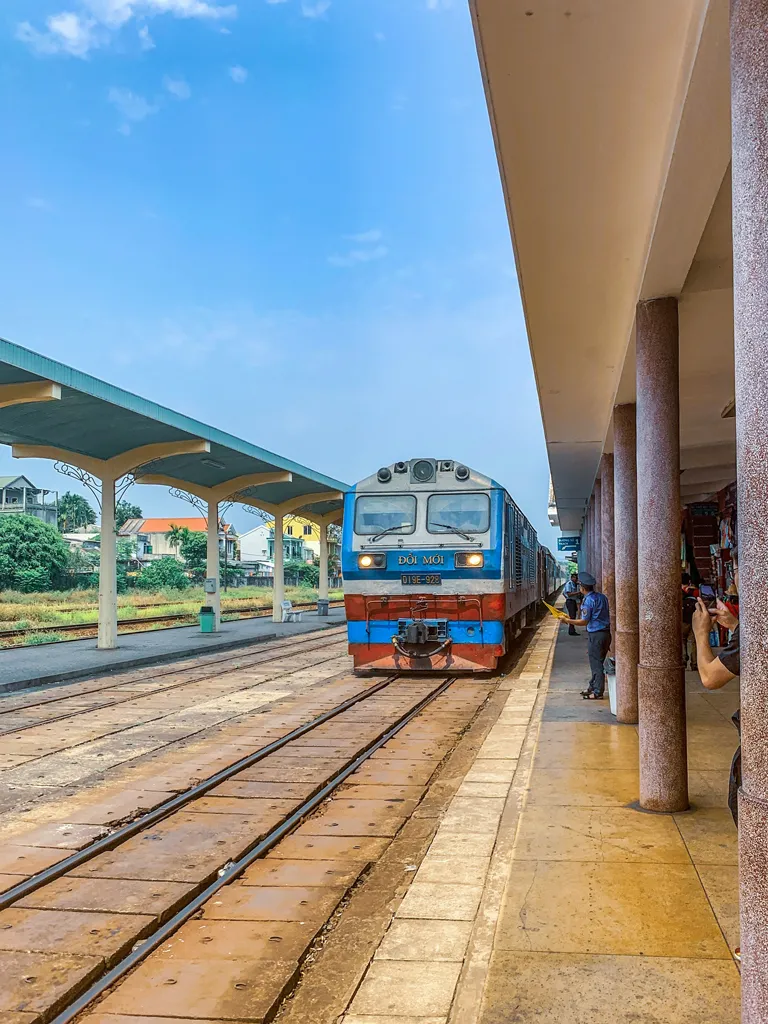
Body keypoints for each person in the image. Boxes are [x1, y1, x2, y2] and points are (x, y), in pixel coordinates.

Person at [563, 572, 611, 699]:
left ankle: (597, 692)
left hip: (596, 636)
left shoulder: (588, 601)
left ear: (582, 588)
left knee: (596, 664)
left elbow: (584, 621)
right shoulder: (602, 597)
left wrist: (568, 621)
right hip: (606, 634)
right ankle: (592, 686)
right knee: (598, 661)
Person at [681, 573, 699, 670]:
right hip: (693, 620)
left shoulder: (678, 592)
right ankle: (694, 663)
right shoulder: (693, 591)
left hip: (683, 621)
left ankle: (683, 660)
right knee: (693, 642)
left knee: (682, 641)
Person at [563, 571, 582, 635]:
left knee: (573, 616)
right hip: (570, 601)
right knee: (572, 616)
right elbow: (569, 594)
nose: (576, 579)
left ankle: (572, 630)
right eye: (575, 578)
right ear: (572, 578)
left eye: (577, 578)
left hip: (573, 601)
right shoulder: (569, 584)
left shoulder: (575, 584)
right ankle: (571, 631)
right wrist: (578, 592)